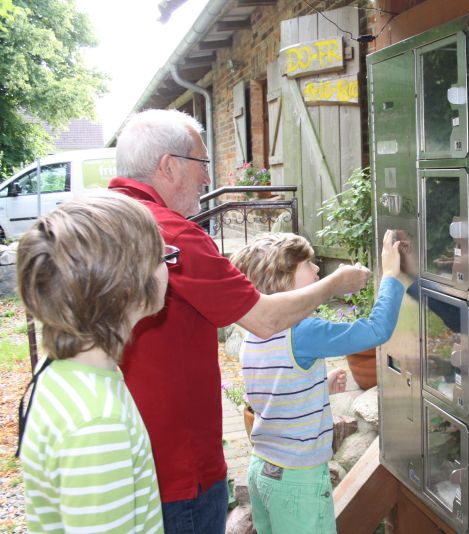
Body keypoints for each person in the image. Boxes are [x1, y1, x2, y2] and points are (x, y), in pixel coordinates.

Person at [109, 108, 370, 533]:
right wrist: (334, 285)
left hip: (127, 463)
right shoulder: (174, 237)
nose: (208, 179)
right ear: (168, 165)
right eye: (202, 164)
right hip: (180, 470)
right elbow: (265, 319)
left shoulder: (102, 223)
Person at [230, 230, 405, 534]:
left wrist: (317, 385)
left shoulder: (252, 332)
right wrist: (391, 275)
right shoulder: (302, 330)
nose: (317, 270)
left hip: (263, 470)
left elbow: (273, 390)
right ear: (284, 280)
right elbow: (376, 330)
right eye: (308, 264)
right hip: (298, 481)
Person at [16, 192, 169, 533]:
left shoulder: (64, 373)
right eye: (162, 257)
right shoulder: (97, 423)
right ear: (127, 288)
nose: (168, 266)